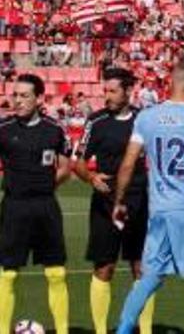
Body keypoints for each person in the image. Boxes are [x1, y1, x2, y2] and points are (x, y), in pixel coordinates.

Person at [111, 57, 184, 334]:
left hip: (158, 208)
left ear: (170, 81)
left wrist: (118, 201)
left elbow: (127, 164)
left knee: (151, 276)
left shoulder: (146, 117)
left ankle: (124, 329)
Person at [72, 68, 153, 334]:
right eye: (105, 90)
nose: (107, 96)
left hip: (139, 201)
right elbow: (78, 162)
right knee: (104, 268)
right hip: (105, 204)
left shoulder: (145, 120)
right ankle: (100, 329)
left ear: (129, 91)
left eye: (113, 91)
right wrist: (91, 178)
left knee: (141, 269)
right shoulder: (95, 122)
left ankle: (144, 329)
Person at [0, 74, 72, 334]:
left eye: (23, 96)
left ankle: (62, 330)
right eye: (14, 95)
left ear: (39, 98)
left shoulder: (55, 130)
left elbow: (66, 167)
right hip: (14, 208)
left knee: (56, 273)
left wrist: (44, 185)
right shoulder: (4, 129)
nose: (16, 100)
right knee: (8, 275)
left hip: (45, 208)